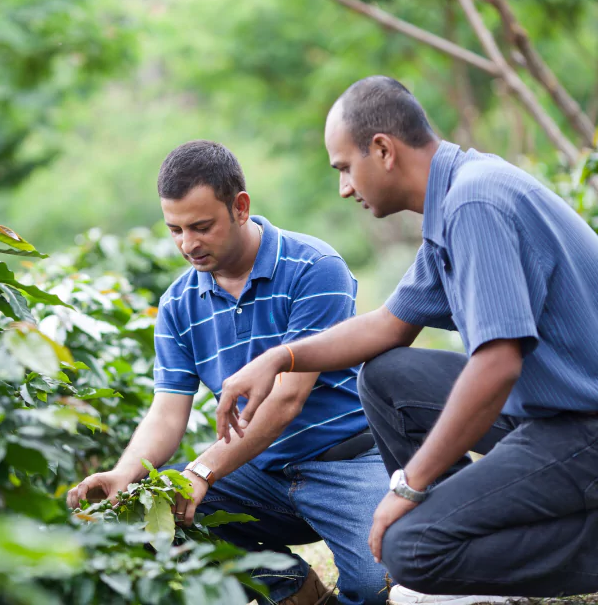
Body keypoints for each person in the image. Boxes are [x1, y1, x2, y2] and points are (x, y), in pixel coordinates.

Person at [215, 76, 598, 605]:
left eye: (345, 169)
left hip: (583, 427)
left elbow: (497, 364)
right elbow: (388, 326)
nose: (344, 188)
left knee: (410, 549)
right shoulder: (458, 196)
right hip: (552, 411)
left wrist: (409, 485)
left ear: (383, 150)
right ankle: (465, 564)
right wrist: (281, 357)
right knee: (386, 375)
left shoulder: (474, 204)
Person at [67, 140, 391, 605]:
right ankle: (302, 594)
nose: (187, 244)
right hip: (257, 472)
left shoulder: (314, 267)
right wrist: (124, 473)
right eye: (175, 230)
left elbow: (286, 400)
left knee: (375, 586)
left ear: (240, 207)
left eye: (201, 227)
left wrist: (203, 469)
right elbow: (166, 413)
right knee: (162, 512)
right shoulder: (178, 304)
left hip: (345, 464)